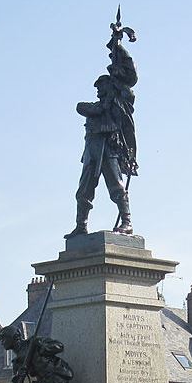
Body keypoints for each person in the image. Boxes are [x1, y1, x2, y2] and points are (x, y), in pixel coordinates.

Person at [68, 38, 138, 237]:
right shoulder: (94, 107)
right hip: (92, 149)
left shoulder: (119, 103)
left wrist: (117, 48)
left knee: (116, 186)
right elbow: (81, 107)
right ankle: (81, 225)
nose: (98, 90)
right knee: (84, 190)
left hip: (110, 147)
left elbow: (130, 77)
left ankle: (127, 222)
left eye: (101, 87)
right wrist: (103, 105)